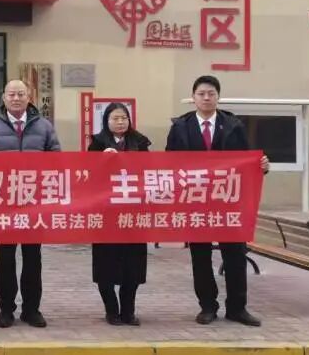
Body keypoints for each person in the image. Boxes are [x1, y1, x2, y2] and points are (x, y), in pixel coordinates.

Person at [165, 75, 270, 327]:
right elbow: (169, 163)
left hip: (228, 201)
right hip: (196, 202)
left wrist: (262, 166)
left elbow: (248, 160)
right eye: (201, 94)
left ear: (218, 97)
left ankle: (237, 308)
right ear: (193, 98)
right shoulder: (180, 127)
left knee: (235, 255)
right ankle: (207, 307)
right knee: (200, 257)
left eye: (211, 93)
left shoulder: (234, 125)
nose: (206, 98)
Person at [0, 79, 61, 329]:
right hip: (4, 203)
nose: (16, 98)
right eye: (12, 94)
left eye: (21, 94)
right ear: (4, 98)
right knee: (5, 258)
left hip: (34, 203)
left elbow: (57, 159)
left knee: (33, 258)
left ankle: (32, 309)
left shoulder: (44, 126)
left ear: (29, 97)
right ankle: (6, 309)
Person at [88, 102, 151, 326]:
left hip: (133, 213)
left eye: (124, 118)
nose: (120, 122)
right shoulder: (97, 144)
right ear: (106, 121)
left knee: (133, 267)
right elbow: (88, 175)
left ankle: (128, 311)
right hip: (106, 214)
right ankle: (111, 310)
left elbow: (150, 171)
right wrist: (102, 160)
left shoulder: (140, 142)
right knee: (106, 265)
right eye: (115, 118)